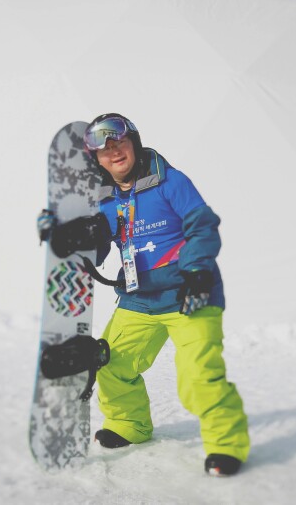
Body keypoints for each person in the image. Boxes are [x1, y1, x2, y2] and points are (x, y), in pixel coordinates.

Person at [42, 113, 250, 476]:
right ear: (97, 160)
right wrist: (61, 231)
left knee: (199, 378)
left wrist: (198, 271)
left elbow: (203, 226)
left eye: (119, 142)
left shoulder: (170, 181)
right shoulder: (104, 198)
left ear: (133, 142)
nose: (114, 152)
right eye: (104, 150)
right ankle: (129, 425)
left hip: (189, 294)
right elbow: (101, 251)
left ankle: (226, 446)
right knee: (111, 362)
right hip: (140, 297)